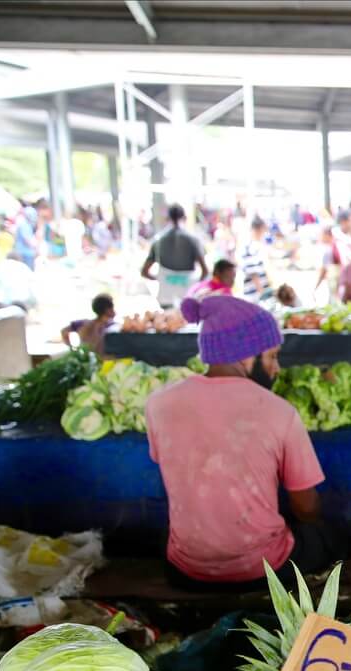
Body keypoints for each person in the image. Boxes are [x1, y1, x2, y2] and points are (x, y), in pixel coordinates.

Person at [146, 295, 339, 587]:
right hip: (264, 571)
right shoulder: (279, 411)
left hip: (186, 573)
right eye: (272, 356)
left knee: (167, 535)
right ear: (245, 355)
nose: (276, 368)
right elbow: (306, 507)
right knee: (327, 536)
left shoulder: (158, 404)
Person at [141, 204, 209, 308]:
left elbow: (144, 272)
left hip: (165, 297)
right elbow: (205, 271)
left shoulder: (158, 241)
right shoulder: (193, 241)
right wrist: (193, 283)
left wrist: (162, 278)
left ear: (167, 218)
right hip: (187, 295)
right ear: (185, 218)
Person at [239, 219, 270, 298]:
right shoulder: (249, 247)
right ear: (259, 229)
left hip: (259, 291)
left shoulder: (257, 245)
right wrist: (262, 293)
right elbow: (253, 273)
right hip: (254, 294)